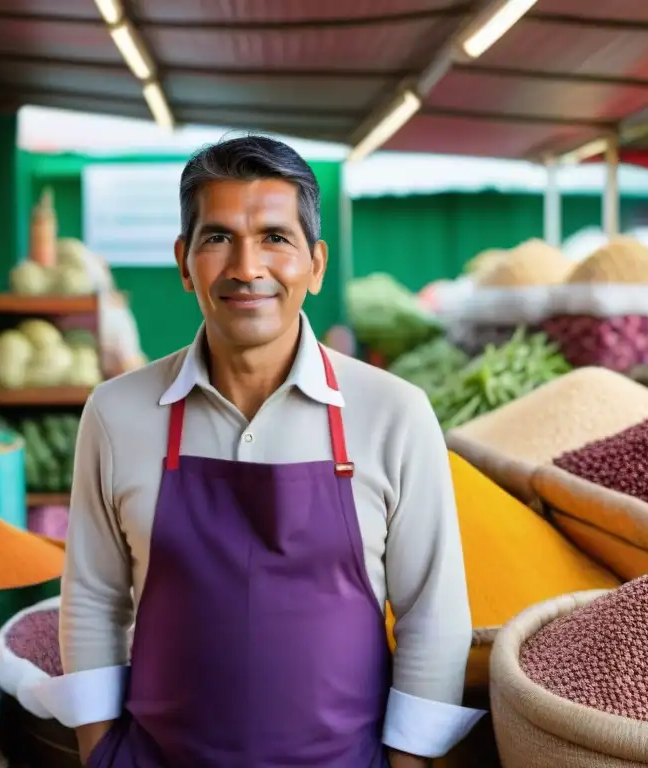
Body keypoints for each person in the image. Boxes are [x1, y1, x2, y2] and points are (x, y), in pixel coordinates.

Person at [40, 136, 483, 767]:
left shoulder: (395, 412)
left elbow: (432, 614)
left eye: (275, 237)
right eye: (217, 237)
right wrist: (100, 751)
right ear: (184, 261)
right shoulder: (116, 413)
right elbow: (92, 598)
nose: (247, 267)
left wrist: (406, 764)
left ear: (316, 263)